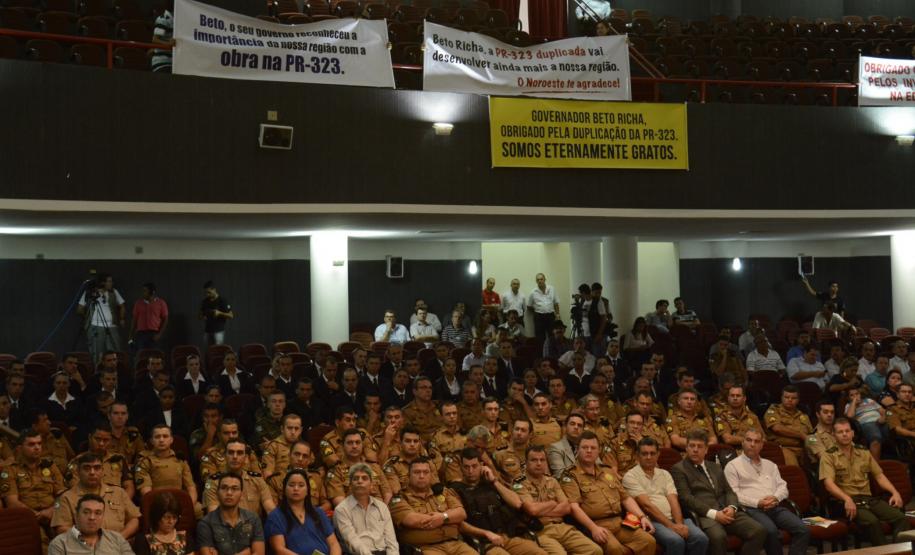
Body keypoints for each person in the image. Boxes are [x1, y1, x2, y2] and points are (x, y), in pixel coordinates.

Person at [670, 430, 766, 555]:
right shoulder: (679, 469)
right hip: (705, 515)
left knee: (758, 530)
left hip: (727, 511)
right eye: (691, 446)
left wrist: (732, 507)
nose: (695, 450)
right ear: (686, 448)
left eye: (699, 447)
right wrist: (714, 514)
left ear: (706, 450)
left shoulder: (715, 466)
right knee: (718, 537)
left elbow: (729, 491)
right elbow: (686, 498)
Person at [560, 431, 656, 555]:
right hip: (596, 524)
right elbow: (574, 507)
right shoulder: (570, 475)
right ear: (577, 449)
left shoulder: (608, 471)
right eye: (585, 447)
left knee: (648, 541)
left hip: (619, 522)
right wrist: (593, 528)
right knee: (615, 549)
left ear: (599, 451)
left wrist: (642, 517)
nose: (589, 450)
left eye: (593, 448)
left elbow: (625, 498)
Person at [821, 418, 910, 546]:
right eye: (840, 432)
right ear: (834, 435)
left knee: (900, 518)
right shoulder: (828, 455)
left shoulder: (863, 451)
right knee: (872, 521)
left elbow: (879, 476)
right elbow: (828, 484)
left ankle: (899, 551)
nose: (845, 434)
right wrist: (847, 499)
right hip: (844, 501)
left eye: (847, 431)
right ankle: (884, 552)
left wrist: (894, 492)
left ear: (852, 433)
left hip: (868, 499)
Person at [723, 429, 810, 555]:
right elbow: (733, 494)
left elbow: (783, 487)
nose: (752, 444)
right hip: (751, 510)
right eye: (749, 440)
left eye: (757, 441)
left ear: (762, 445)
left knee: (803, 529)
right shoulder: (732, 466)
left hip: (775, 507)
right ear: (742, 443)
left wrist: (775, 498)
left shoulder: (770, 465)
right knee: (771, 531)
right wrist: (758, 503)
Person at [449, 447, 547, 555]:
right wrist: (486, 534)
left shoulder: (490, 482)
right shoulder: (455, 490)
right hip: (484, 542)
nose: (470, 471)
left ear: (481, 465)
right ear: (461, 468)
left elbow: (517, 503)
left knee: (540, 553)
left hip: (506, 537)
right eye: (466, 467)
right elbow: (460, 524)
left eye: (474, 466)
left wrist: (494, 482)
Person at [622, 437, 708, 555]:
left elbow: (673, 500)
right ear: (637, 455)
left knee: (701, 538)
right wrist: (671, 526)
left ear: (658, 455)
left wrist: (678, 524)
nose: (648, 457)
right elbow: (647, 506)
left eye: (652, 453)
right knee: (676, 541)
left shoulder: (665, 474)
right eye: (644, 454)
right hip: (652, 521)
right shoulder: (630, 476)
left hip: (674, 518)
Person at [516, 445, 601, 555]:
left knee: (595, 551)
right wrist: (553, 503)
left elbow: (566, 508)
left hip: (561, 527)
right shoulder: (519, 483)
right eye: (534, 460)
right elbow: (532, 510)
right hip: (540, 531)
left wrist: (540, 510)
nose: (538, 463)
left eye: (542, 460)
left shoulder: (552, 481)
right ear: (526, 462)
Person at [52, 452, 141, 539]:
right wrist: (88, 540)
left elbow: (134, 519)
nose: (92, 472)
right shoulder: (66, 497)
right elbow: (62, 528)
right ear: (78, 471)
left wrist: (120, 537)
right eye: (87, 468)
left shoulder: (118, 492)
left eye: (97, 468)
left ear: (102, 471)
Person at [264, 469, 341, 555]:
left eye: (301, 485)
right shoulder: (275, 516)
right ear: (284, 490)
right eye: (291, 485)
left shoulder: (319, 513)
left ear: (307, 491)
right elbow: (279, 549)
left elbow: (334, 544)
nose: (296, 488)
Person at [334, 462, 399, 555]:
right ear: (350, 485)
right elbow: (352, 541)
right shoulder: (342, 509)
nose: (360, 481)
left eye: (364, 478)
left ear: (372, 484)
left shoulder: (382, 507)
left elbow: (391, 541)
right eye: (355, 479)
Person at [197, 472, 265, 555]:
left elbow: (259, 553)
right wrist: (246, 553)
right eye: (224, 488)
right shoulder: (206, 523)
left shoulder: (253, 519)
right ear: (217, 492)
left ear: (241, 494)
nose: (229, 492)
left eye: (235, 488)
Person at [48, 494, 134, 555]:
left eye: (98, 513)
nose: (92, 517)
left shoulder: (117, 539)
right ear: (76, 515)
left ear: (103, 516)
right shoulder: (59, 544)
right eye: (86, 512)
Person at [78, 273, 126, 365]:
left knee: (115, 351)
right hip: (95, 326)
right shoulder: (90, 292)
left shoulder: (114, 292)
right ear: (102, 283)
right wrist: (88, 317)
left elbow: (122, 305)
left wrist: (122, 318)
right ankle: (97, 371)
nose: (111, 283)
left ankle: (114, 371)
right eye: (109, 281)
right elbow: (80, 309)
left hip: (112, 326)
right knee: (97, 353)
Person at [763, 386, 813, 467]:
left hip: (803, 449)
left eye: (793, 398)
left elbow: (810, 435)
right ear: (781, 398)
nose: (790, 400)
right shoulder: (773, 411)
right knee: (793, 468)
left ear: (798, 400)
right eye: (786, 397)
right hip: (783, 448)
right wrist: (800, 435)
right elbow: (777, 428)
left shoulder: (803, 416)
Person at [134, 491, 196, 555]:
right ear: (156, 516)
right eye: (166, 517)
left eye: (174, 517)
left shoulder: (185, 537)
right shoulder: (143, 540)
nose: (171, 522)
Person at [844, 386, 886, 460]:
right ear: (848, 398)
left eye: (857, 394)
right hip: (867, 423)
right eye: (852, 395)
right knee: (876, 439)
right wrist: (854, 402)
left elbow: (884, 411)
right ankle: (875, 467)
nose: (855, 396)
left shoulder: (869, 400)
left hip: (880, 421)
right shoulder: (848, 405)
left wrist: (883, 418)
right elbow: (850, 416)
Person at [128, 282, 169, 351]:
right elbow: (134, 319)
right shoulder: (138, 303)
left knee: (154, 354)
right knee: (141, 354)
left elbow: (165, 319)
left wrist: (159, 334)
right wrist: (130, 335)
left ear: (152, 292)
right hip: (141, 334)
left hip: (154, 333)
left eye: (145, 291)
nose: (143, 293)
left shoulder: (161, 303)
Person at [199, 280, 234, 346]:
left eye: (209, 292)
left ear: (214, 290)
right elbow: (200, 315)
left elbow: (231, 316)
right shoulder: (205, 301)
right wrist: (202, 316)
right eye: (206, 293)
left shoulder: (222, 300)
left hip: (218, 332)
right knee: (208, 353)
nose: (207, 294)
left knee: (217, 352)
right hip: (207, 331)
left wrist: (219, 313)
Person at [528, 273, 559, 341]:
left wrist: (557, 315)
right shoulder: (533, 292)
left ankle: (552, 351)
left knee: (552, 335)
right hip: (539, 317)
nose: (540, 281)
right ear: (536, 281)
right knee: (540, 336)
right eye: (538, 279)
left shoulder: (552, 289)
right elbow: (529, 306)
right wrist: (536, 311)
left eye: (541, 279)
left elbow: (556, 303)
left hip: (550, 316)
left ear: (545, 279)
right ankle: (541, 351)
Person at [805, 399, 837, 464]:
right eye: (825, 412)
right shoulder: (811, 438)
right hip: (828, 470)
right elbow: (825, 459)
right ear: (818, 414)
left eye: (832, 412)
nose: (829, 415)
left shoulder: (839, 431)